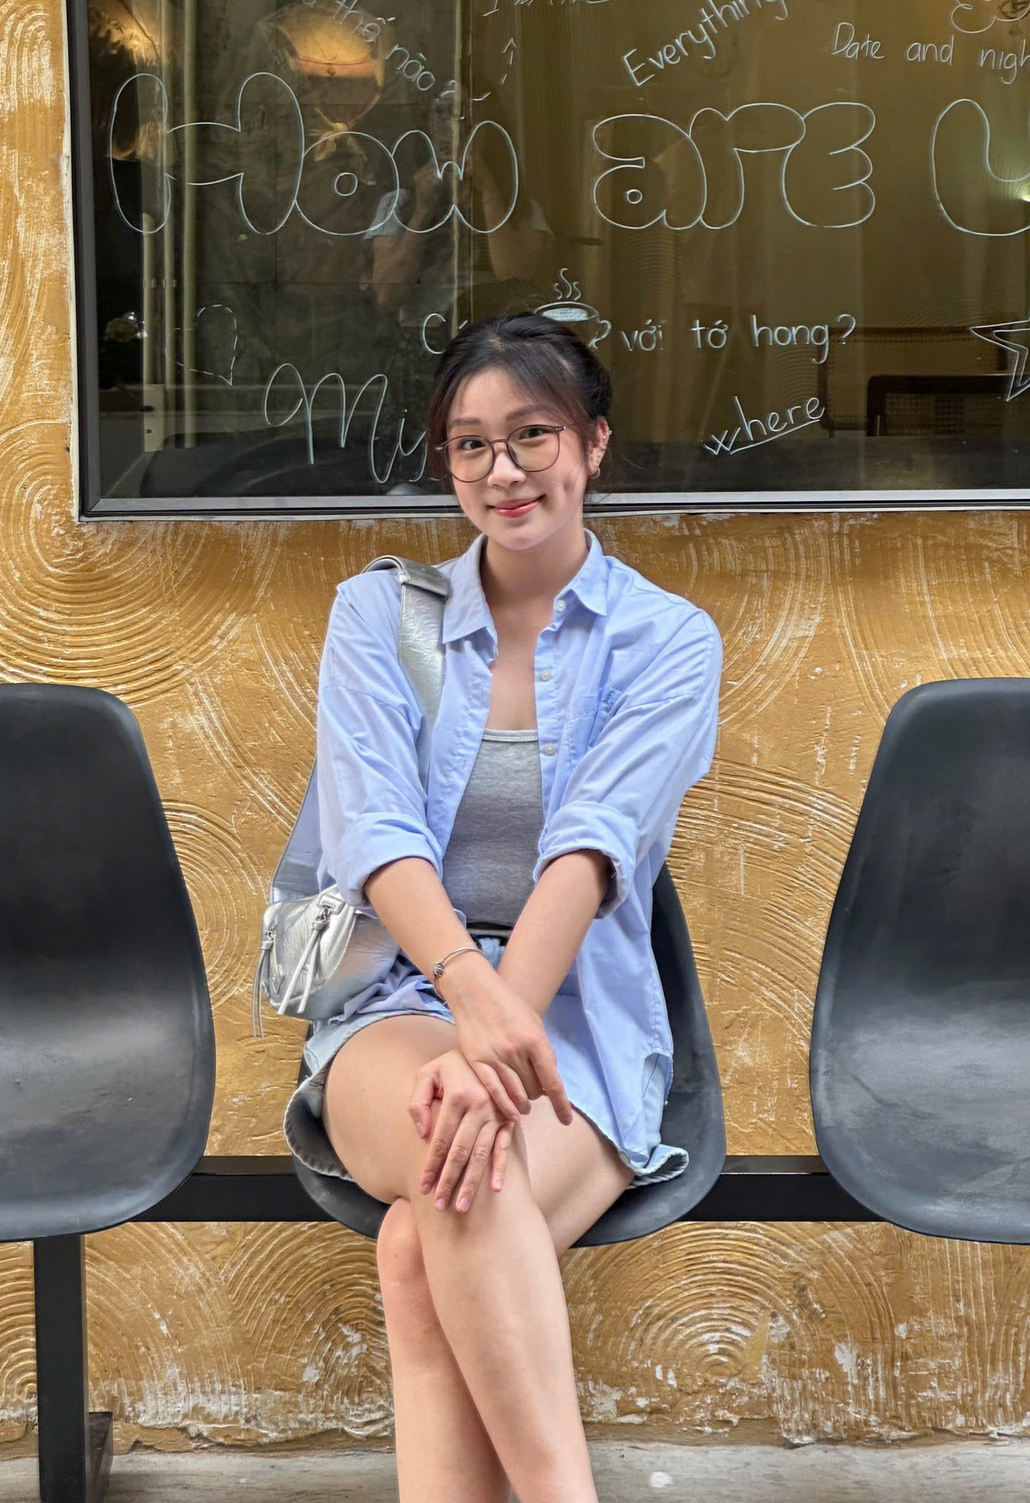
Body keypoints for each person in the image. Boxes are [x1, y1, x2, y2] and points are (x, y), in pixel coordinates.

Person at [280, 311, 722, 1503]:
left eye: (533, 434)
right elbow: (375, 836)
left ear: (593, 443)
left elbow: (591, 849)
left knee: (422, 1236)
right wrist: (469, 1010)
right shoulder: (378, 617)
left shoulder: (667, 640)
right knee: (454, 1167)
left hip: (574, 1020)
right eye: (470, 443)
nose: (503, 469)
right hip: (399, 1000)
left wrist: (496, 1038)